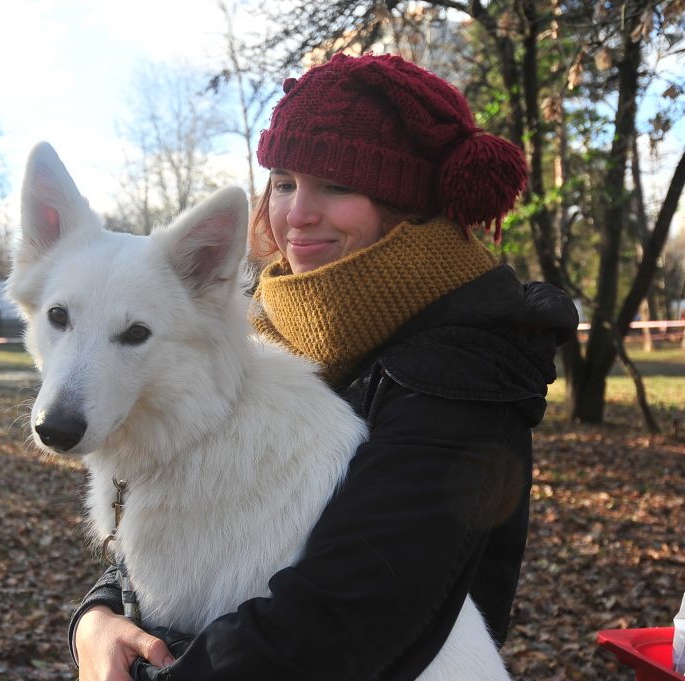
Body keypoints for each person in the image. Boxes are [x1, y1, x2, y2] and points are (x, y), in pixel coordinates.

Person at [69, 52, 579, 681]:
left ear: (405, 204)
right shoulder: (265, 331)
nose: (295, 213)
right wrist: (96, 617)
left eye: (336, 185)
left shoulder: (465, 369)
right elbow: (167, 496)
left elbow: (351, 612)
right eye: (283, 181)